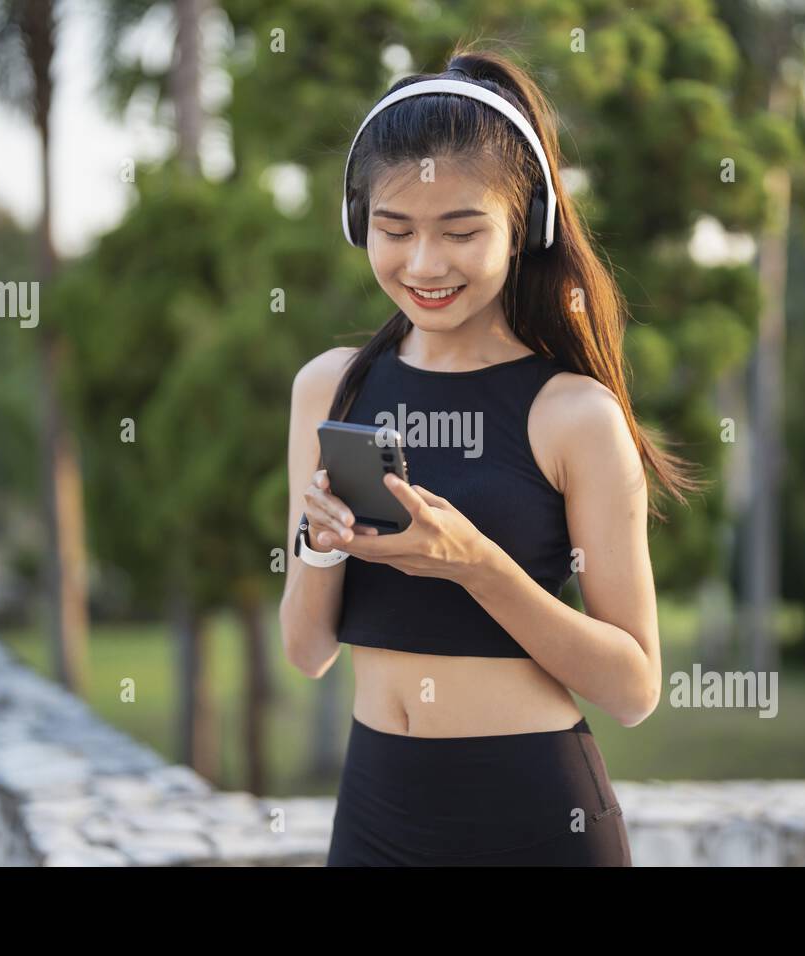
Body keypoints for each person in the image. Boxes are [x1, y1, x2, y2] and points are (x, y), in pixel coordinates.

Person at [279, 44, 707, 866]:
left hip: (533, 817)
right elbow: (307, 652)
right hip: (372, 809)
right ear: (356, 222)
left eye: (462, 231)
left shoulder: (573, 414)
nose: (424, 265)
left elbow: (634, 688)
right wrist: (319, 543)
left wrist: (476, 563)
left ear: (526, 231)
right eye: (394, 230)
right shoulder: (328, 389)